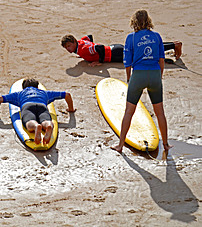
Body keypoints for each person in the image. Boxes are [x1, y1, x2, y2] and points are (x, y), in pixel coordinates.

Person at [110, 9, 173, 153]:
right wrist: (159, 77)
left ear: (134, 22)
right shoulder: (157, 36)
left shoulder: (131, 38)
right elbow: (161, 60)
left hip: (138, 75)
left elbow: (127, 62)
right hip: (155, 74)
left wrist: (128, 79)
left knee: (129, 112)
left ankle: (119, 145)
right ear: (149, 20)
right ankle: (166, 144)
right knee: (160, 113)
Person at [0, 78, 76, 145]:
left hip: (27, 106)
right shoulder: (45, 93)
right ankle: (48, 126)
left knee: (29, 121)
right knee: (45, 119)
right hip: (42, 106)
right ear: (37, 87)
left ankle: (35, 127)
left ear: (23, 87)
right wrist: (71, 109)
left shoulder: (19, 94)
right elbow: (67, 95)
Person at [61, 34, 182, 67]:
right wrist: (87, 56)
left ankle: (174, 45)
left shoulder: (83, 49)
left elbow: (100, 47)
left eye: (68, 46)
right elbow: (89, 37)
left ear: (73, 42)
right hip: (115, 48)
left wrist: (100, 61)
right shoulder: (81, 42)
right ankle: (172, 46)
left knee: (144, 53)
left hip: (116, 54)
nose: (67, 49)